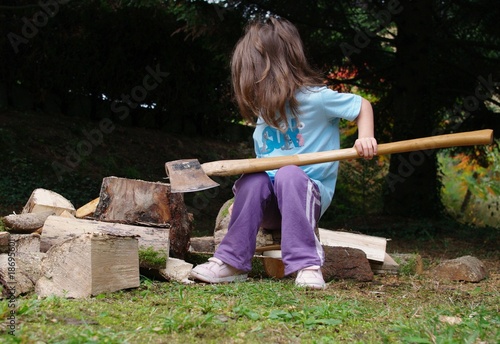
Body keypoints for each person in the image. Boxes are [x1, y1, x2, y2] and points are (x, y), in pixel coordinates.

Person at [190, 16, 377, 289]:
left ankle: (307, 265)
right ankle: (231, 262)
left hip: (305, 198)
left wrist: (366, 137)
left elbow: (362, 105)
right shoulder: (266, 112)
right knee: (253, 178)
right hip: (270, 207)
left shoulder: (316, 98)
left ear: (273, 70)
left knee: (289, 174)